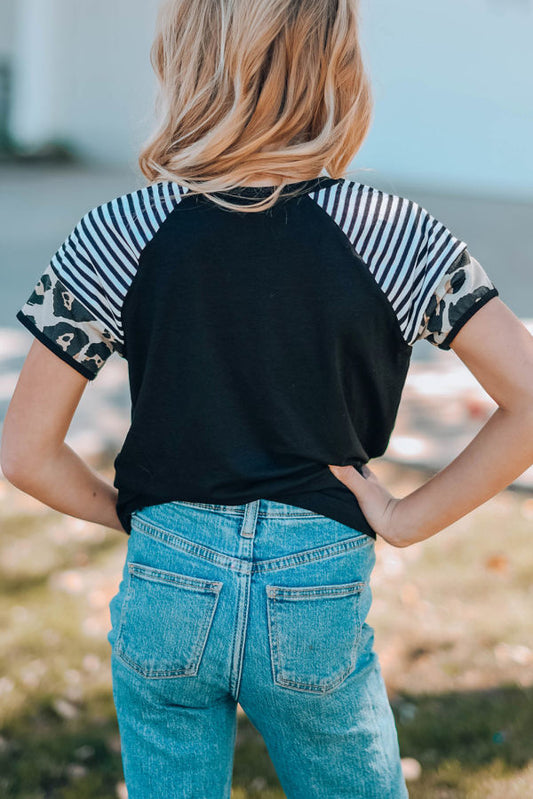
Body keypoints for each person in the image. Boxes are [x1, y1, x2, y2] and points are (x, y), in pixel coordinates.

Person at [2, 0, 532, 796]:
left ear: (186, 60)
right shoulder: (395, 232)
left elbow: (26, 452)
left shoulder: (118, 232)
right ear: (337, 66)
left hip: (166, 580)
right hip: (314, 587)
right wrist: (406, 517)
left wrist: (139, 514)